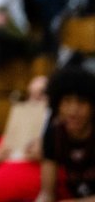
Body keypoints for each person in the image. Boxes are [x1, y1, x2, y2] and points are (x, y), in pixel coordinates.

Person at [38, 66, 95, 202]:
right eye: (67, 101)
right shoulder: (54, 134)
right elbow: (47, 193)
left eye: (81, 102)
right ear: (57, 104)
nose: (73, 111)